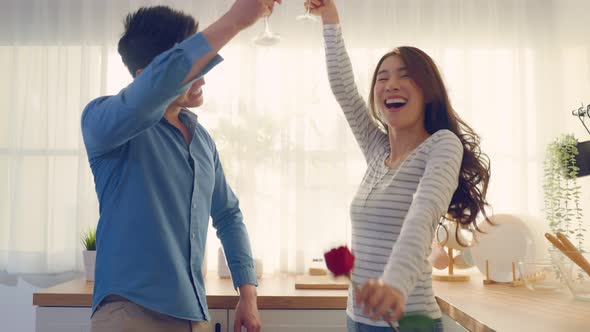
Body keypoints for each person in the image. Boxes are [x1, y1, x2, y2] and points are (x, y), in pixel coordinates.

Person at [80, 1, 281, 331]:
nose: (203, 71)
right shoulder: (103, 122)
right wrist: (234, 21)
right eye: (191, 64)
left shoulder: (201, 140)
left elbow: (228, 215)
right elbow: (149, 93)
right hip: (129, 313)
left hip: (193, 315)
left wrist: (248, 294)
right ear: (147, 77)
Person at [307, 0, 491, 331]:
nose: (391, 84)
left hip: (407, 319)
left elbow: (421, 216)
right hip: (357, 318)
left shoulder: (441, 145)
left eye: (404, 76)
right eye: (382, 77)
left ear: (428, 92)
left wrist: (393, 285)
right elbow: (344, 90)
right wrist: (329, 17)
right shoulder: (377, 151)